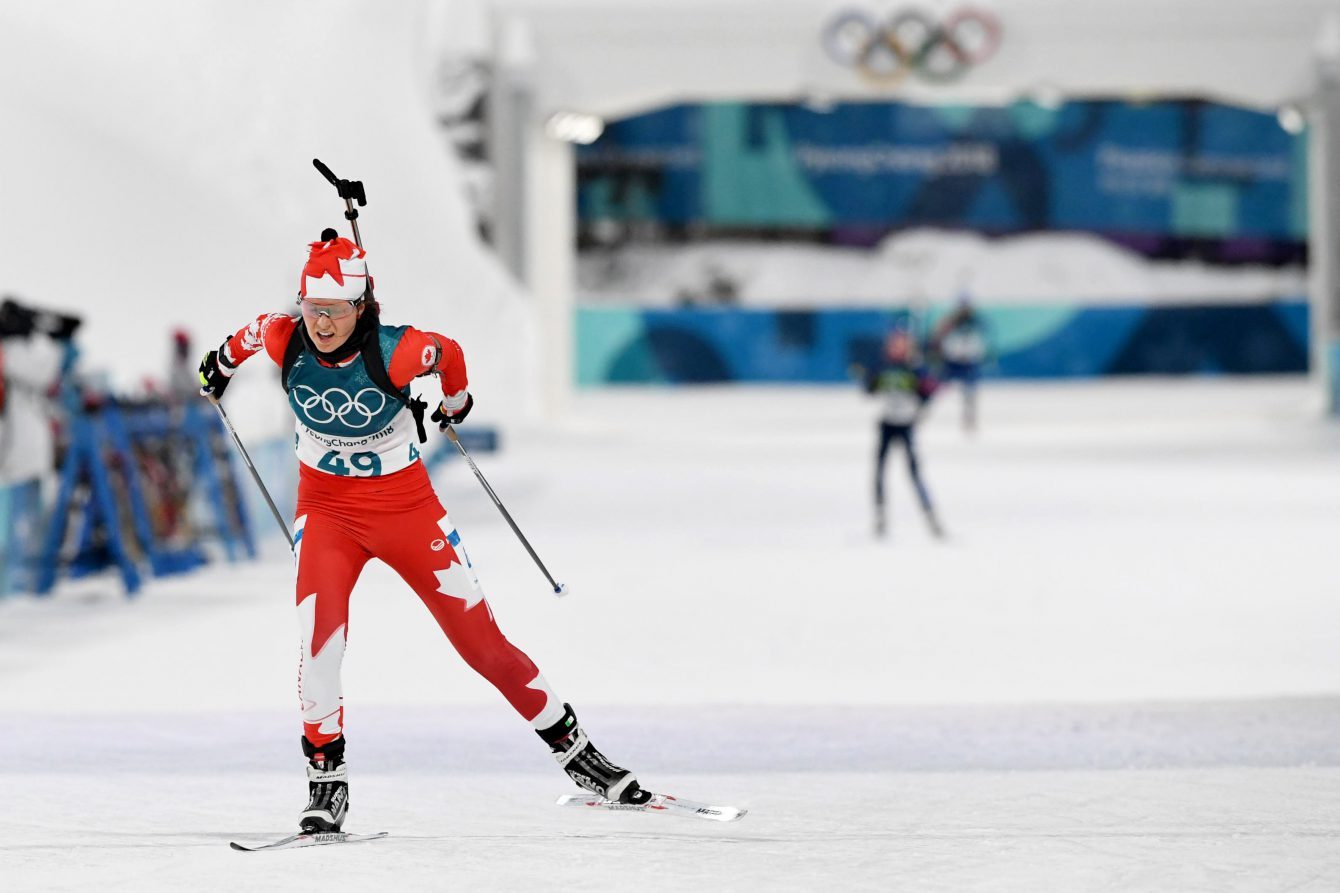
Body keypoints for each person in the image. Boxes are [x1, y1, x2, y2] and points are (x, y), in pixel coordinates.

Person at [197, 229, 650, 834]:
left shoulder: (399, 350)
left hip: (407, 512)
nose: (321, 323)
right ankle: (326, 783)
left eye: (333, 311)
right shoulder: (285, 337)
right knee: (318, 646)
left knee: (482, 646)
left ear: (360, 306)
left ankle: (578, 754)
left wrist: (456, 403)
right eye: (311, 309)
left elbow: (450, 351)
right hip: (328, 513)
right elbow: (245, 337)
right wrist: (218, 368)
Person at [864, 328, 943, 540]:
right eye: (893, 344)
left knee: (914, 473)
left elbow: (930, 390)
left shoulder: (914, 368)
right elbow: (869, 389)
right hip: (887, 424)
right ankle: (880, 517)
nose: (896, 348)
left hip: (906, 425)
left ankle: (931, 517)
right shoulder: (884, 367)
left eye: (901, 344)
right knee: (880, 471)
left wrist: (922, 405)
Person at [929, 296, 990, 433]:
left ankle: (970, 420)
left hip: (969, 361)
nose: (964, 310)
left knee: (970, 393)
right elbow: (938, 335)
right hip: (952, 360)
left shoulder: (976, 321)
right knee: (935, 387)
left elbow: (984, 337)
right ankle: (923, 412)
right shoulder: (950, 321)